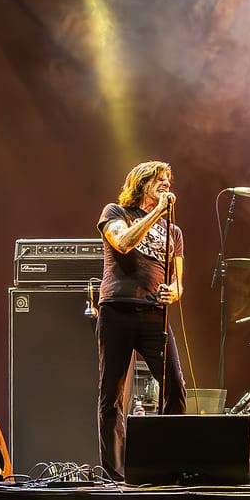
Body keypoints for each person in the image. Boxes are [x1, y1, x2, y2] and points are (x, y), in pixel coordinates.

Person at [96, 161, 186, 481]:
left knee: (175, 386)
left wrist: (173, 292)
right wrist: (157, 212)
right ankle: (114, 475)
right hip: (117, 310)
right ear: (141, 183)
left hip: (153, 314)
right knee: (112, 394)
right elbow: (122, 243)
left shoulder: (174, 232)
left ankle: (166, 465)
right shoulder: (116, 213)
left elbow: (178, 282)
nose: (166, 184)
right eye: (159, 179)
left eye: (168, 180)